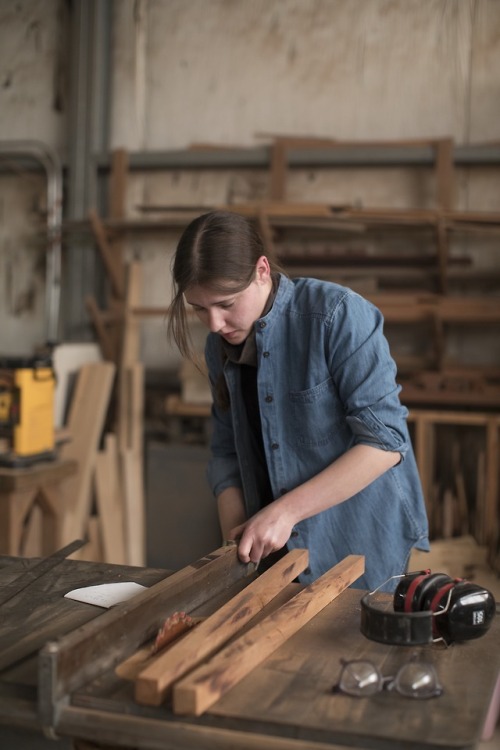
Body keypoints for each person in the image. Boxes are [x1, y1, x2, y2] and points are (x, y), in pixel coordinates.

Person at [167, 210, 429, 591]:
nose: (214, 325)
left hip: (361, 543)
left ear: (261, 270)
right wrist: (234, 539)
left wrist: (285, 511)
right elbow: (226, 454)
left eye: (226, 304)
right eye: (199, 309)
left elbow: (385, 442)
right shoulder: (218, 345)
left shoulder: (336, 315)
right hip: (278, 552)